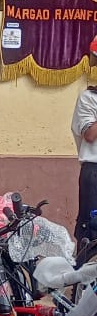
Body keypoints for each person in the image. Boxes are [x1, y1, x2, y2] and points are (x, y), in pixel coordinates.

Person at [71, 37, 97, 244]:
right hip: (94, 170)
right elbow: (90, 134)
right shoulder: (88, 98)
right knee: (90, 228)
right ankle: (82, 272)